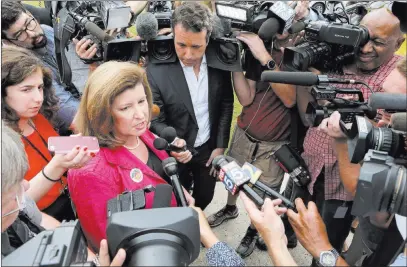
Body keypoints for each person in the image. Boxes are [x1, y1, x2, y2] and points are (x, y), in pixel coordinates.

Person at [206, 1, 326, 258]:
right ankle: (230, 208)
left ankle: (253, 230)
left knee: (261, 195)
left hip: (273, 146)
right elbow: (247, 98)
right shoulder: (260, 48)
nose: (278, 28)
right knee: (231, 180)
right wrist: (234, 65)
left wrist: (266, 58)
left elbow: (290, 99)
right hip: (244, 134)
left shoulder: (300, 56)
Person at [297, 8, 405, 263]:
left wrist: (328, 91)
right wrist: (306, 76)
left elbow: (381, 132)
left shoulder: (398, 78)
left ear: (399, 42)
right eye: (362, 36)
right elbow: (305, 114)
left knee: (328, 244)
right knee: (305, 225)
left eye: (378, 42)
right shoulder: (338, 52)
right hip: (312, 168)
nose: (365, 48)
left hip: (347, 187)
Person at [68, 61, 194, 251]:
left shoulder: (140, 132)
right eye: (126, 108)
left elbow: (158, 176)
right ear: (102, 114)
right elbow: (105, 242)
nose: (141, 115)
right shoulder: (89, 171)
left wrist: (179, 191)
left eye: (142, 101)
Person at [318, 57, 407, 267]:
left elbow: (363, 193)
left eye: (393, 109)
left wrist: (340, 140)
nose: (380, 117)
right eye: (381, 98)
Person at [147, 2, 234, 210]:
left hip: (208, 150)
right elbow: (156, 119)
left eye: (196, 47)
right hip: (175, 154)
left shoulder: (218, 63)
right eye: (181, 45)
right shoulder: (155, 70)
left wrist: (220, 145)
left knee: (205, 196)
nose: (187, 55)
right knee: (178, 201)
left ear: (208, 38)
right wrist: (173, 144)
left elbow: (226, 103)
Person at [1, 121, 125, 266]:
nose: (27, 185)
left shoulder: (16, 205)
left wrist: (92, 262)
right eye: (15, 185)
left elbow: (39, 219)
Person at [1, 46, 93, 222]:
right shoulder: (4, 141)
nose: (38, 98)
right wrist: (58, 166)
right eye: (26, 89)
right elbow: (16, 204)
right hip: (39, 219)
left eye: (40, 87)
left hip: (71, 200)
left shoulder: (37, 116)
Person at [1, 1, 82, 134]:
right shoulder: (20, 67)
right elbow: (68, 112)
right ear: (7, 42)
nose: (32, 34)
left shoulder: (48, 31)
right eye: (19, 34)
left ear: (30, 13)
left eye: (29, 23)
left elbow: (79, 75)